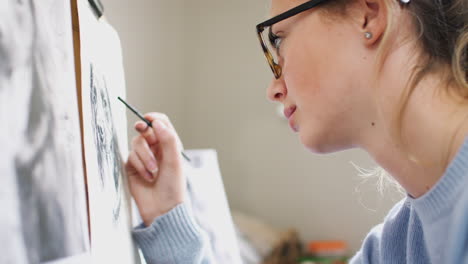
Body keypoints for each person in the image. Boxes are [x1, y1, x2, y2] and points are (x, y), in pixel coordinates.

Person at [126, 0, 468, 263]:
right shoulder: (403, 240)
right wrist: (168, 215)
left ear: (368, 14)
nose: (273, 89)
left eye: (278, 38)